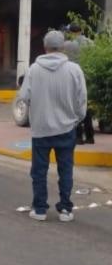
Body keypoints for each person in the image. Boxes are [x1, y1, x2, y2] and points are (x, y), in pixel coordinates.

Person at [20, 31, 87, 223]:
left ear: (45, 46)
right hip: (66, 129)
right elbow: (82, 100)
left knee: (39, 171)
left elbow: (24, 96)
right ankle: (65, 209)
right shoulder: (74, 70)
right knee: (65, 170)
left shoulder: (34, 69)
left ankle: (40, 209)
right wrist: (77, 118)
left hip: (41, 130)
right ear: (63, 46)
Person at [65, 23, 95, 144]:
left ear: (71, 32)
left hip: (73, 79)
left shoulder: (67, 45)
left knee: (74, 108)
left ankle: (78, 137)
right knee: (86, 107)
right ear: (81, 31)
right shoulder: (91, 43)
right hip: (88, 78)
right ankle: (90, 136)